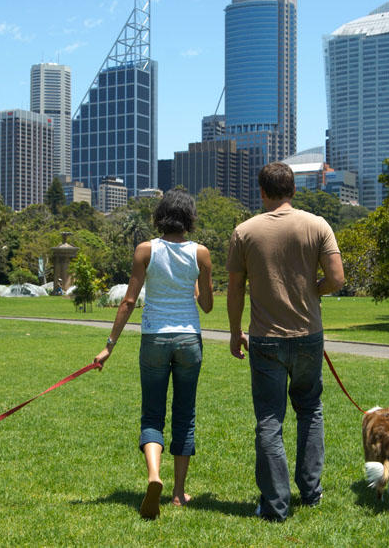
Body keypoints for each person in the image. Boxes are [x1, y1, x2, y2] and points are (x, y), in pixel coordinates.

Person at [226, 162, 344, 522]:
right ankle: (310, 492)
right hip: (309, 334)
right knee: (310, 409)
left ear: (262, 192)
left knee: (269, 419)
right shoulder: (318, 224)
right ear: (293, 190)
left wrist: (234, 332)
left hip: (265, 338)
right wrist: (314, 290)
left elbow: (234, 291)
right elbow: (337, 279)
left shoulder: (244, 232)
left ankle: (276, 504)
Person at [93, 189, 214, 520]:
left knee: (152, 415)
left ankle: (153, 475)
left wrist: (109, 346)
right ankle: (178, 493)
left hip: (155, 340)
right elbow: (206, 305)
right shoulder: (201, 253)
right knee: (184, 415)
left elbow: (129, 301)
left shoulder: (146, 249)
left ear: (160, 216)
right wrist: (193, 287)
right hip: (189, 340)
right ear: (189, 218)